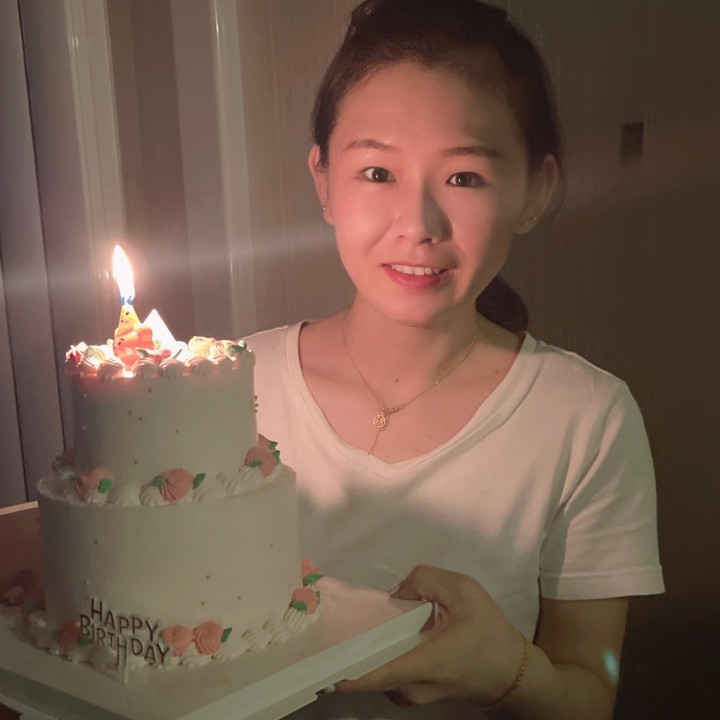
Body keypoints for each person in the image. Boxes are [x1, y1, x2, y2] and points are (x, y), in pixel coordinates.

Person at [246, 0, 664, 717]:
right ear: (323, 180)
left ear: (535, 190)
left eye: (464, 177)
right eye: (376, 172)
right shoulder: (225, 386)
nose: (417, 225)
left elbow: (590, 693)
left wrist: (507, 670)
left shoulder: (586, 420)